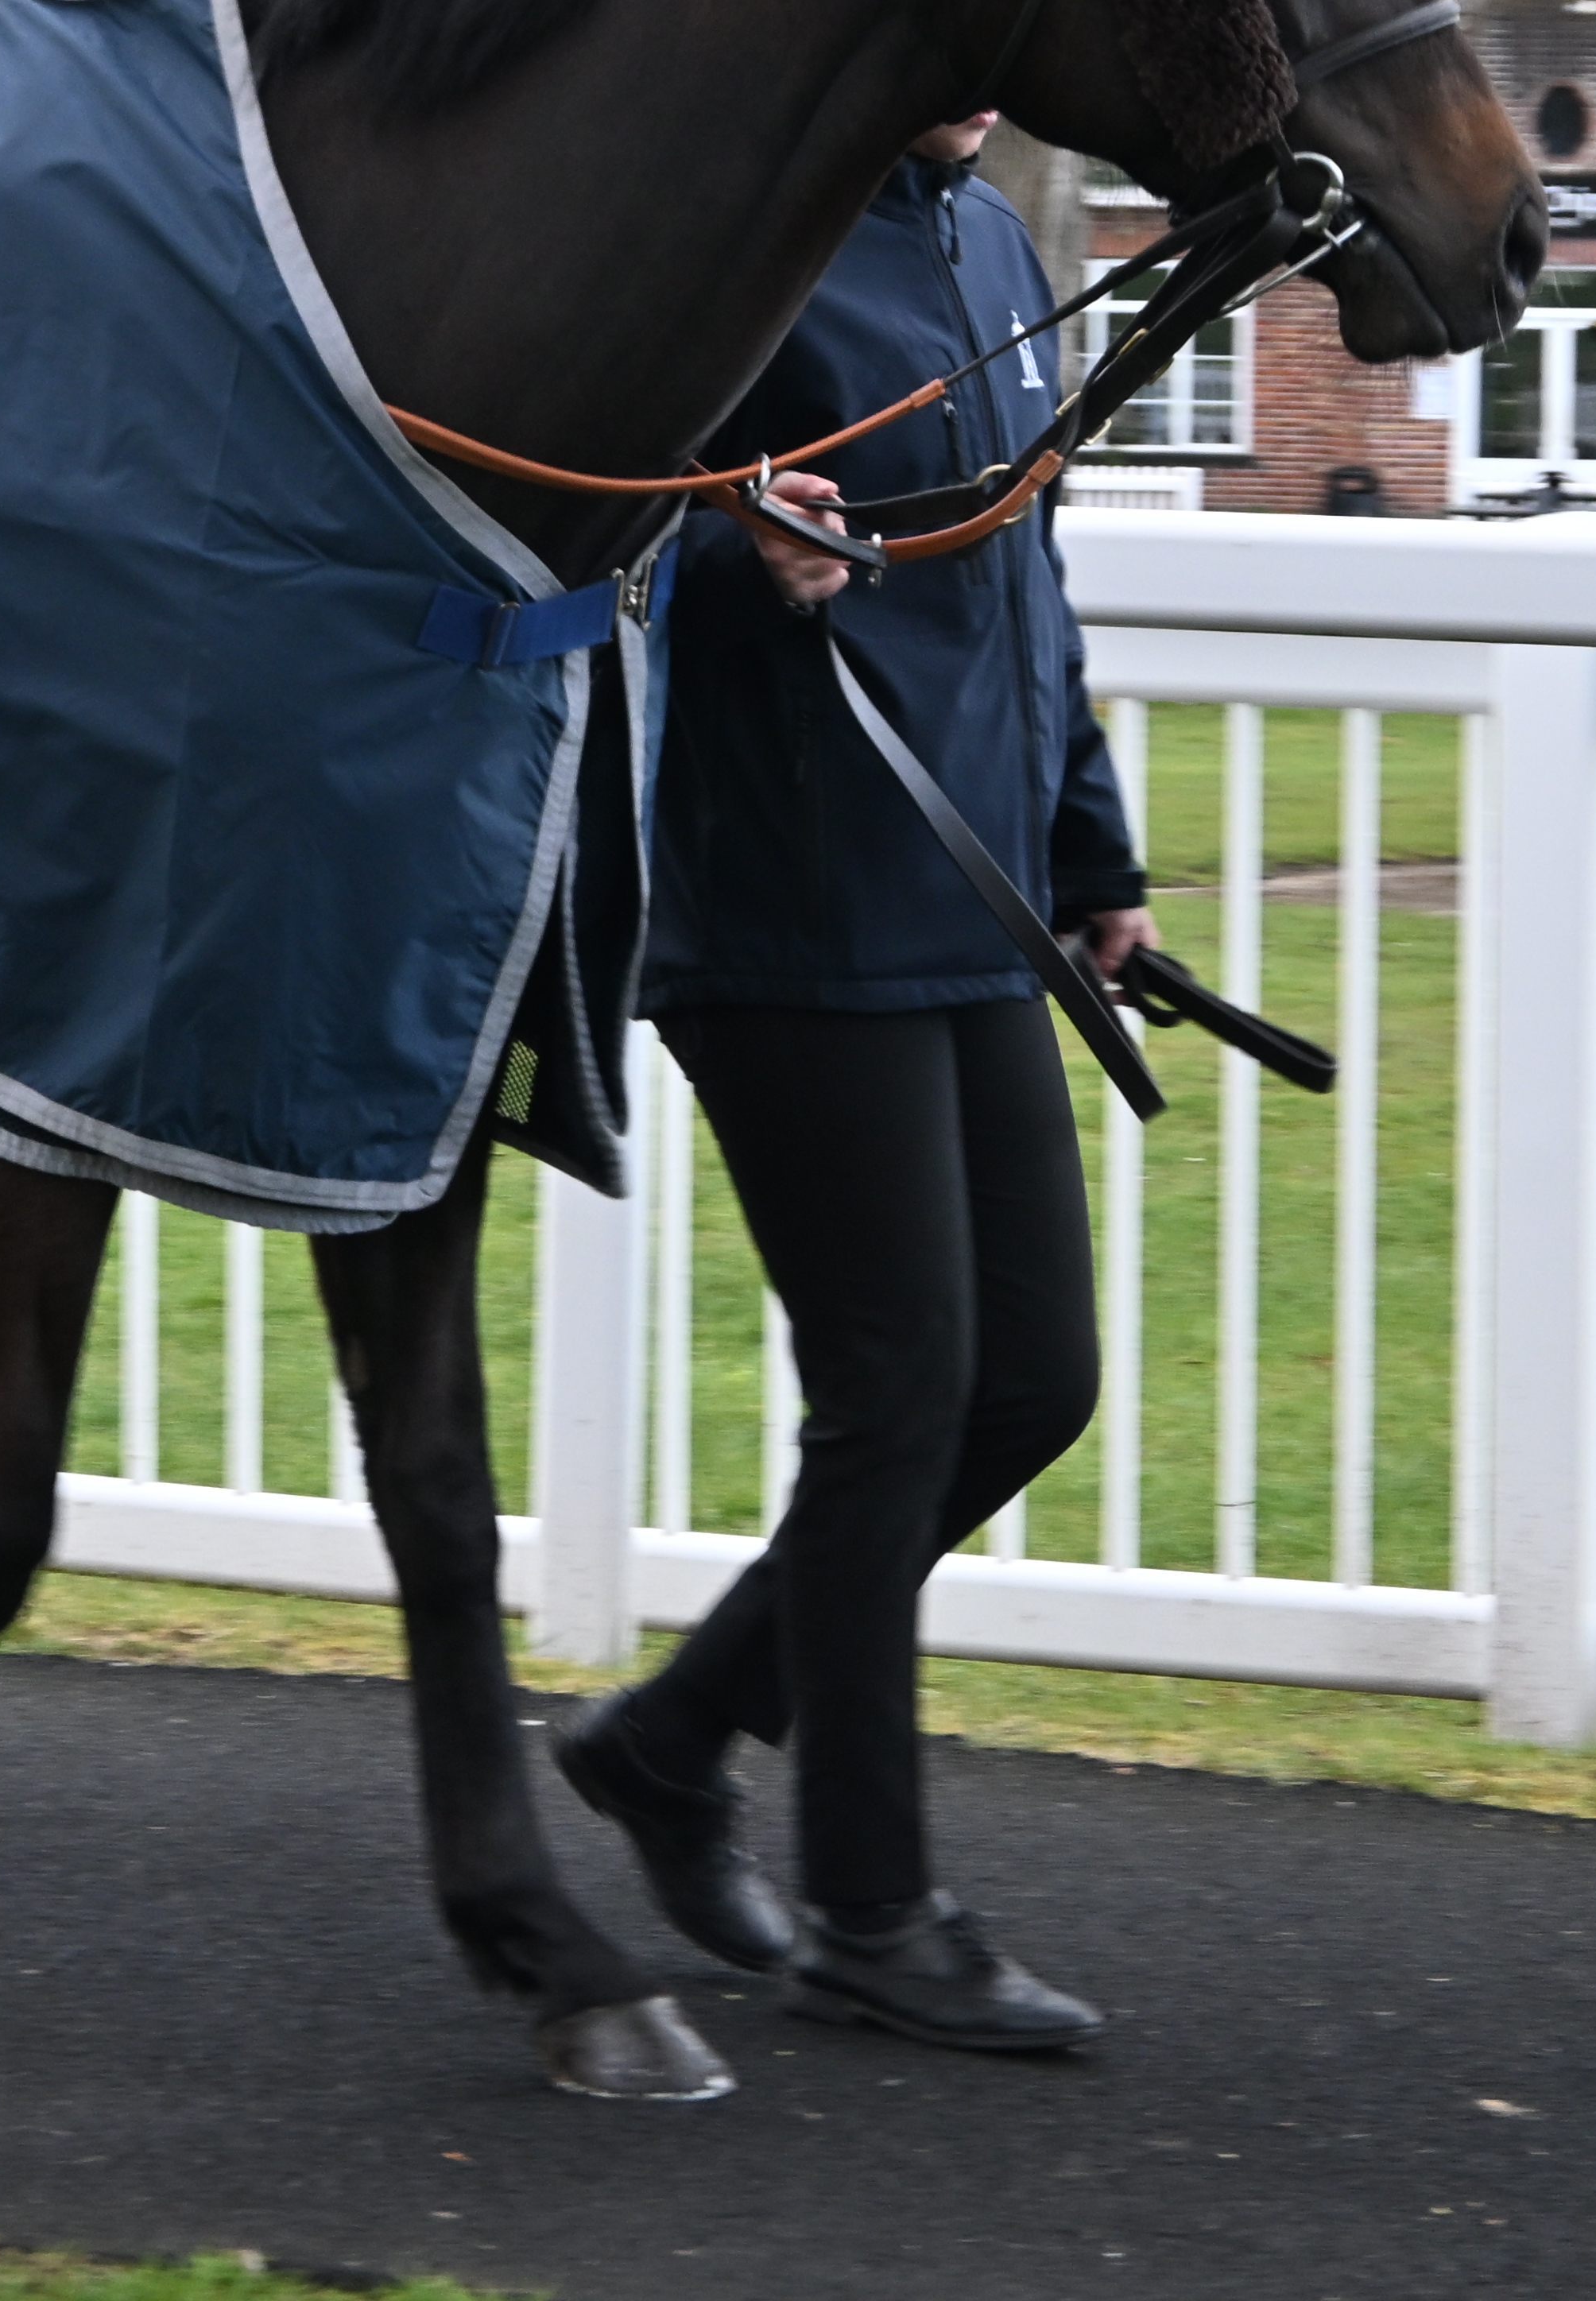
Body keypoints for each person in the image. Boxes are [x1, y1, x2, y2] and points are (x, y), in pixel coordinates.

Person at [553, 108, 1152, 2056]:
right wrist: (743, 573)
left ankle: (669, 1734)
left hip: (974, 891)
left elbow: (1029, 573)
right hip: (789, 899)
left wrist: (1091, 852)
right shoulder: (728, 230)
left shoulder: (990, 236)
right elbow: (590, 558)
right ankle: (873, 1912)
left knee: (1032, 1379)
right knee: (896, 1394)